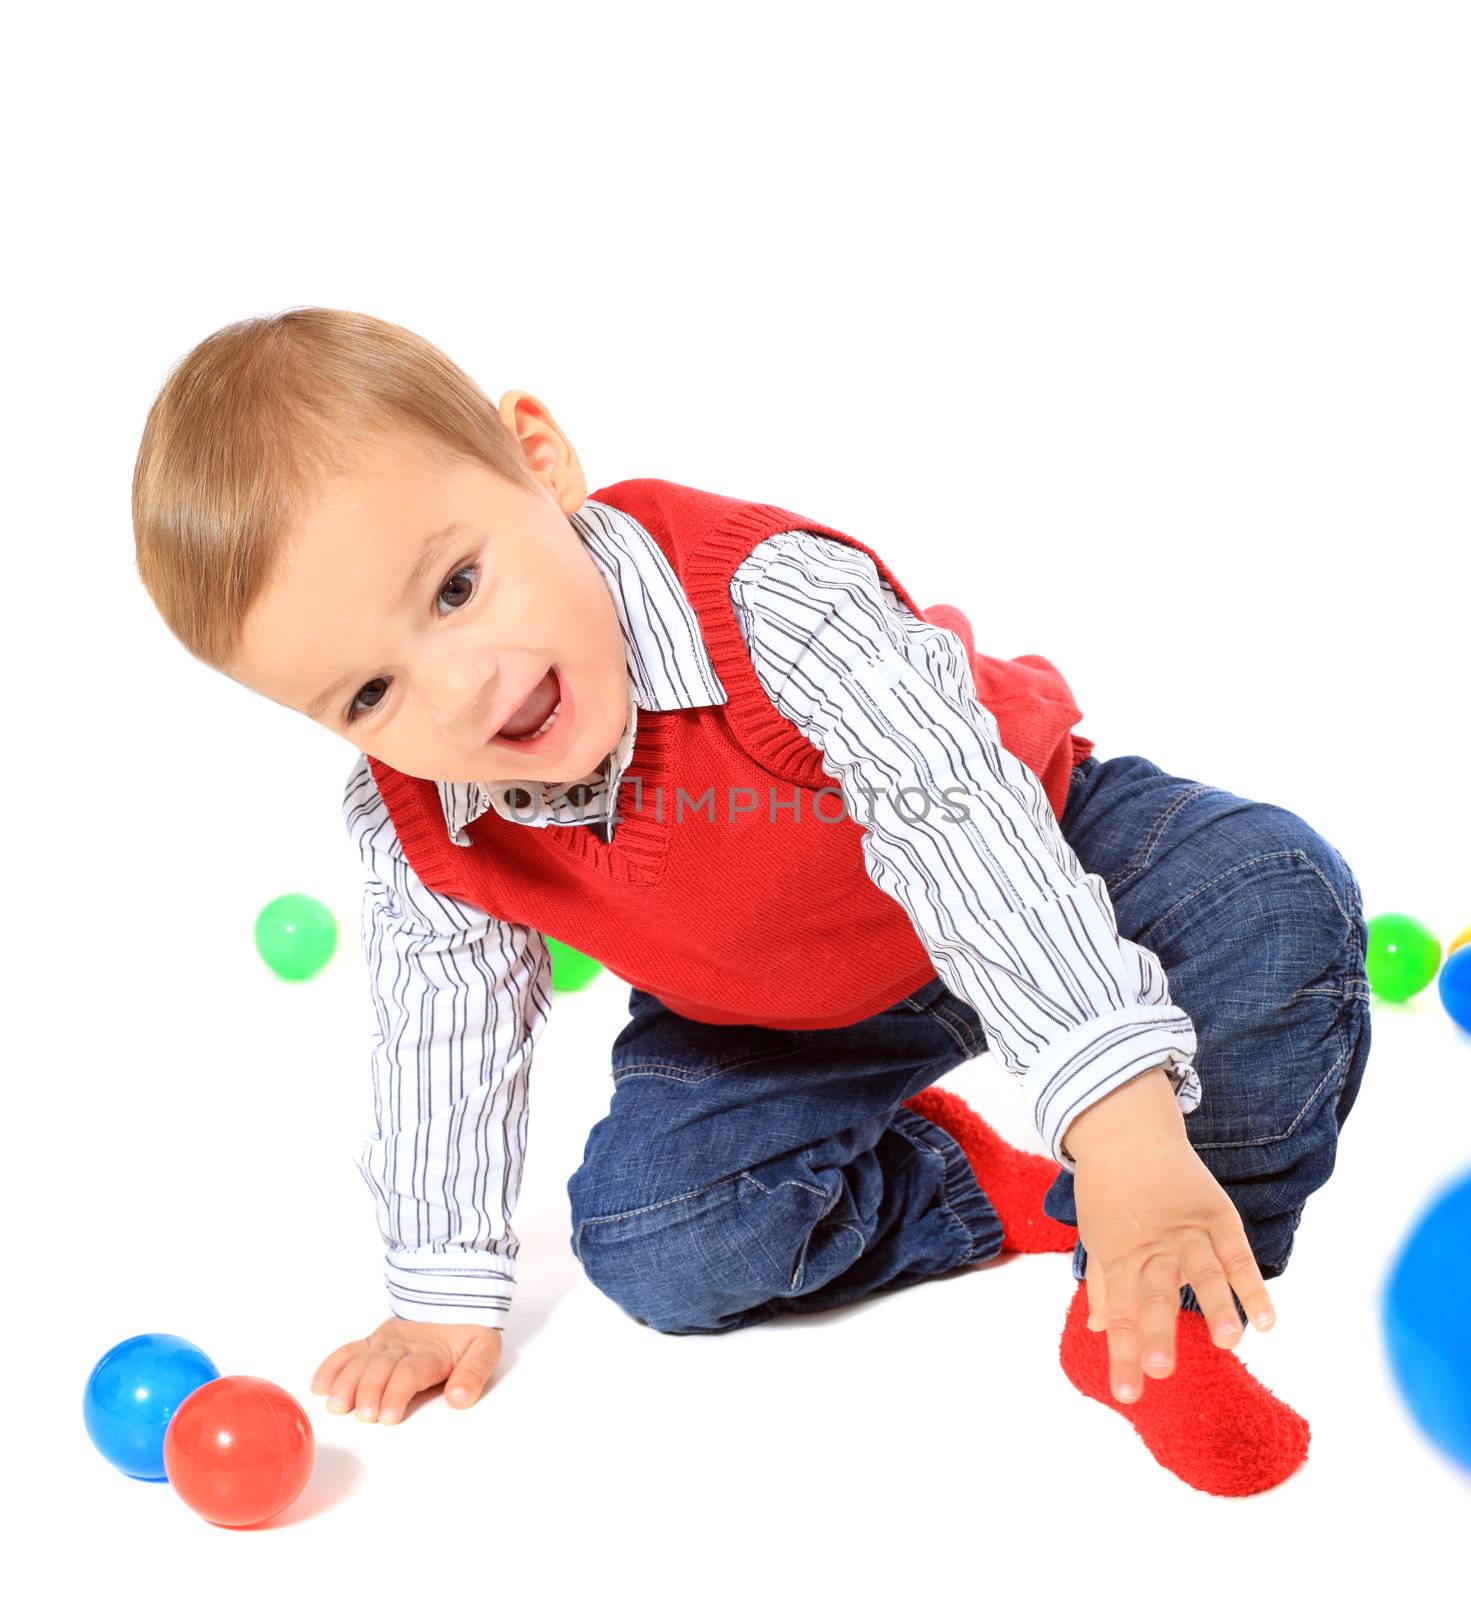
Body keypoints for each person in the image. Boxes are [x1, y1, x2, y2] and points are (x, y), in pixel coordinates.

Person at [131, 307, 1372, 1497]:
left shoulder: (768, 599)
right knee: (656, 1238)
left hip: (1042, 850)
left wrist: (1118, 1123)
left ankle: (1160, 1289)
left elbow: (959, 822)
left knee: (1271, 899)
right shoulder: (422, 812)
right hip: (778, 1004)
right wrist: (439, 1288)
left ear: (539, 461)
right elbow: (441, 1028)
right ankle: (972, 1182)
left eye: (456, 588)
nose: (455, 696)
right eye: (367, 697)